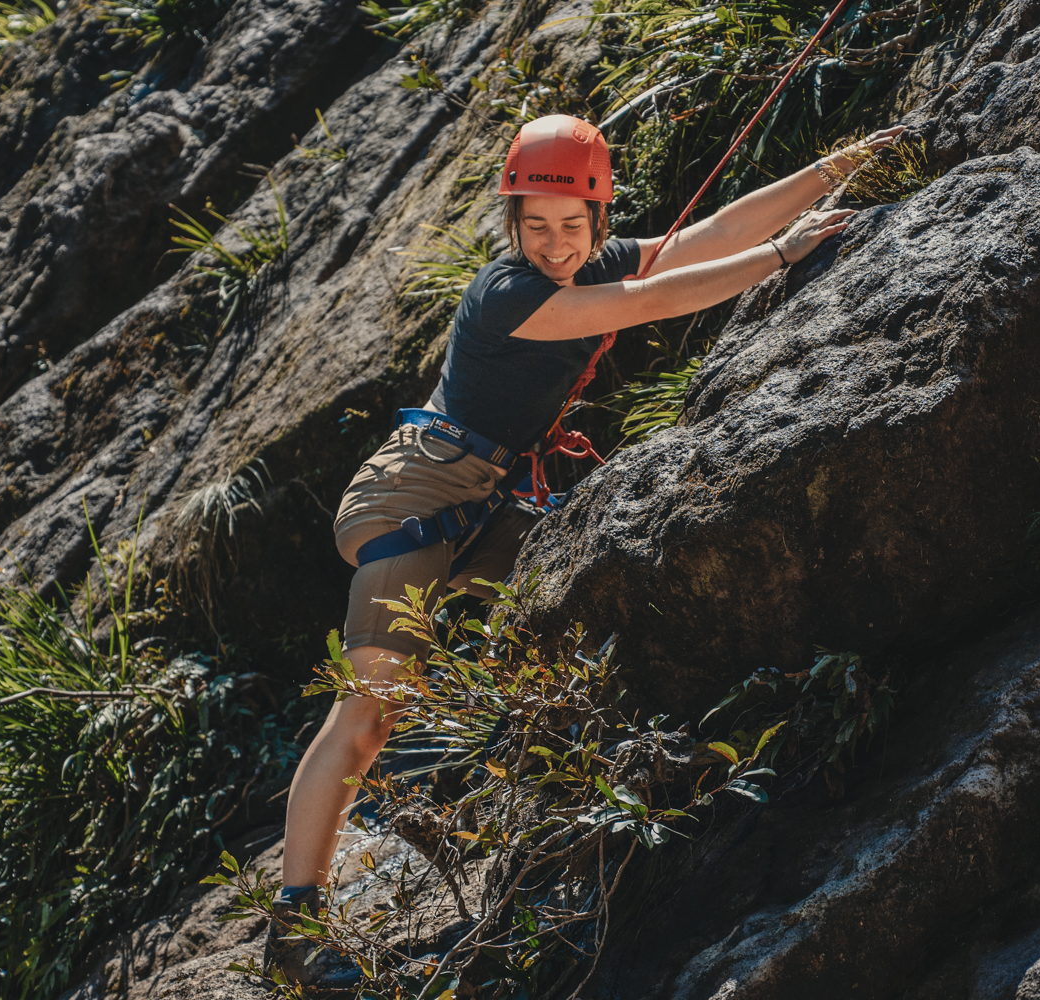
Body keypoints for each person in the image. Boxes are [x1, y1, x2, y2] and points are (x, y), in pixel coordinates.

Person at [264, 113, 904, 986]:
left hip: (490, 498)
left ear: (597, 220)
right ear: (513, 226)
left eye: (573, 227)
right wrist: (781, 259)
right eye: (536, 228)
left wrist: (833, 166)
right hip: (415, 495)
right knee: (370, 713)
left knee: (567, 616)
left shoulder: (588, 260)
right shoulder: (509, 294)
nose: (557, 245)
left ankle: (578, 819)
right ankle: (294, 931)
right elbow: (649, 301)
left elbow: (707, 234)